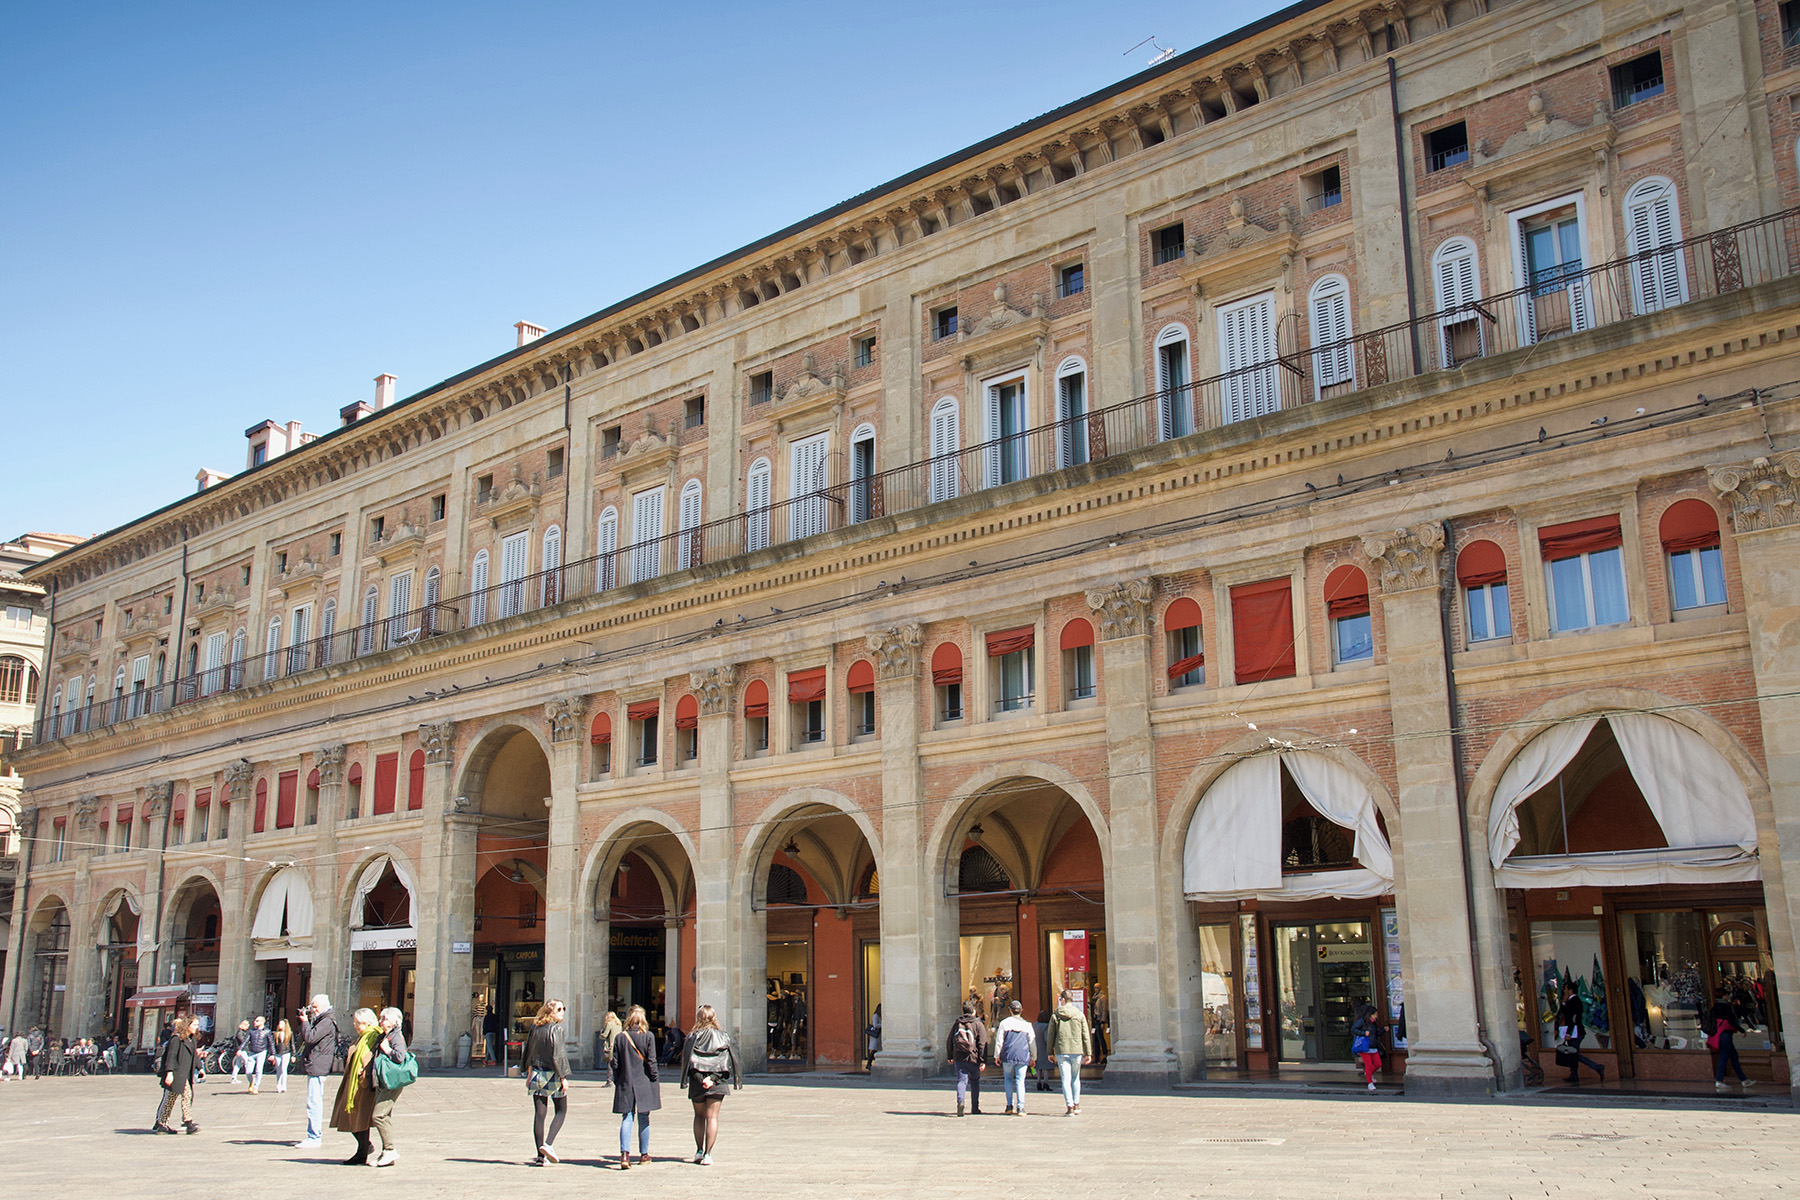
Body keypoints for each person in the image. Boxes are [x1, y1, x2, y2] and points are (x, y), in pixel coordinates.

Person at [679, 1004, 740, 1166]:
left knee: (699, 1116)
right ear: (714, 1018)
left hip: (697, 1081)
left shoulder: (692, 1037)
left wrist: (700, 1078)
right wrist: (712, 1078)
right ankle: (707, 1154)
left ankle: (698, 1151)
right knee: (712, 1117)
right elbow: (726, 1061)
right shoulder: (723, 1036)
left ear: (699, 1018)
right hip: (717, 1081)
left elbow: (689, 1062)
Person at [611, 1004, 661, 1169]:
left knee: (627, 1117)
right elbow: (652, 1061)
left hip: (626, 1080)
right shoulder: (648, 1036)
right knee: (644, 1117)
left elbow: (615, 1063)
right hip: (644, 1081)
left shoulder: (620, 1037)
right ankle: (644, 1154)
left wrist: (618, 1079)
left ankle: (624, 1154)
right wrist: (654, 1077)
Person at [523, 999, 572, 1165]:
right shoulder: (556, 1029)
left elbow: (528, 1052)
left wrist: (529, 1073)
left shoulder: (535, 1028)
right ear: (551, 1012)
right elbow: (559, 1055)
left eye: (563, 1008)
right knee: (561, 1110)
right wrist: (563, 1077)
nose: (562, 1011)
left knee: (539, 1114)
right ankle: (548, 1144)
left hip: (537, 1072)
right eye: (559, 1009)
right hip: (553, 1073)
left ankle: (540, 1156)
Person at [330, 1008, 381, 1165]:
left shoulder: (373, 1036)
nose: (355, 1026)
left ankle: (363, 1151)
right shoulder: (363, 1037)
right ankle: (363, 1149)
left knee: (359, 1118)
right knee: (350, 1116)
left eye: (358, 1023)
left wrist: (363, 1070)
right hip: (353, 1082)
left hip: (363, 1084)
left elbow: (372, 1056)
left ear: (368, 1023)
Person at [295, 993, 340, 1150]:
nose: (313, 1010)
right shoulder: (323, 1020)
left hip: (318, 1065)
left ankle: (314, 1137)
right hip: (317, 1064)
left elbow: (310, 1037)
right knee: (313, 1100)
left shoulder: (326, 1021)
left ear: (323, 1007)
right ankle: (313, 1135)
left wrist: (305, 1022)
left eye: (315, 1007)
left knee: (313, 1102)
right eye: (311, 1007)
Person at [368, 1007, 409, 1167]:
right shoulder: (387, 1035)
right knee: (385, 1116)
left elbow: (400, 1057)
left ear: (393, 1021)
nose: (381, 1022)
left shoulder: (396, 1036)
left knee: (378, 1116)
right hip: (385, 1080)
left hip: (391, 1081)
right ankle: (386, 1152)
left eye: (384, 1019)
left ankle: (390, 1150)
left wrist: (387, 1049)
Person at [153, 1017, 201, 1134]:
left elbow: (194, 1056)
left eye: (197, 1025)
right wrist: (169, 1073)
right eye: (194, 1024)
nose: (196, 1027)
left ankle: (163, 1124)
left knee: (177, 1097)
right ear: (187, 1025)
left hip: (185, 1074)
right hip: (176, 1073)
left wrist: (200, 1068)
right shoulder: (177, 1039)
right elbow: (171, 1056)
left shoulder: (191, 1040)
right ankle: (186, 1122)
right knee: (176, 1097)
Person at [1048, 991, 1093, 1115]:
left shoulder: (1056, 1015)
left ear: (1062, 999)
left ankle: (1069, 1106)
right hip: (1076, 1049)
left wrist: (1049, 1052)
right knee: (1075, 1078)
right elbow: (1085, 1034)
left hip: (1062, 1049)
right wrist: (1088, 1052)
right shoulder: (1079, 1014)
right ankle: (1077, 1104)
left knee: (1065, 1079)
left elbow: (1051, 1034)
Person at [992, 998, 1036, 1116]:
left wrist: (997, 1055)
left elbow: (999, 1041)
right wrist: (1033, 1057)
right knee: (1020, 1081)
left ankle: (1009, 1105)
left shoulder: (1004, 1023)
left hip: (1008, 1055)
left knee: (1007, 1079)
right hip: (1022, 1055)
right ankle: (1020, 1107)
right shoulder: (1027, 1025)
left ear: (1010, 1010)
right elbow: (1032, 1042)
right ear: (1021, 1011)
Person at [1554, 987, 1605, 1085]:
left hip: (1575, 1032)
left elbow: (1572, 1019)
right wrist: (1564, 1002)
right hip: (1575, 1032)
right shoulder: (1571, 1001)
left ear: (1570, 990)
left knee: (1574, 1054)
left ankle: (1597, 1067)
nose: (1564, 991)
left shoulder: (1574, 1001)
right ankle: (1574, 1075)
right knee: (1573, 1054)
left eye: (1565, 989)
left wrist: (1568, 1033)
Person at [945, 999, 988, 1117]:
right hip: (973, 1057)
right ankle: (975, 1107)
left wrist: (950, 1055)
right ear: (973, 1011)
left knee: (961, 1081)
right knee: (974, 1082)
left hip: (959, 1057)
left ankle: (961, 1102)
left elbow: (949, 1040)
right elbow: (982, 1043)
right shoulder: (978, 1024)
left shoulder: (957, 1023)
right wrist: (983, 1060)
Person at [1709, 994, 1754, 1091]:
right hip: (1725, 1035)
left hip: (1718, 1034)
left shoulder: (1715, 1007)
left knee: (1733, 1057)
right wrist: (1742, 1030)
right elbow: (1731, 1021)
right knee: (1724, 1057)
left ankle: (1744, 1079)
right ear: (1724, 996)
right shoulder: (1726, 1007)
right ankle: (1719, 1080)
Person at [1350, 1003, 1383, 1092]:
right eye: (1375, 1014)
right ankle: (1370, 1083)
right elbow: (1353, 1029)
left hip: (1373, 1046)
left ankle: (1368, 1074)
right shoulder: (1362, 1021)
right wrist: (1363, 1033)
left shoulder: (1374, 1023)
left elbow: (1375, 1034)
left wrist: (1383, 1030)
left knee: (1378, 1064)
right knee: (1368, 1065)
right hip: (1365, 1046)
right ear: (1370, 1015)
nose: (1376, 1016)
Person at [242, 1015, 273, 1093]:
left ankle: (256, 1087)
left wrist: (273, 1054)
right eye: (255, 1020)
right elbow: (245, 1041)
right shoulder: (251, 1031)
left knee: (259, 1070)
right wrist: (240, 1049)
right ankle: (251, 1082)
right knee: (248, 1071)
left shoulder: (267, 1031)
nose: (254, 1022)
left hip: (262, 1051)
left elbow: (271, 1043)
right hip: (252, 1052)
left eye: (257, 1021)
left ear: (262, 1022)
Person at [599, 1010, 623, 1084]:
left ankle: (609, 1080)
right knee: (617, 1063)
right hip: (619, 1045)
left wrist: (601, 1034)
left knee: (610, 1064)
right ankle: (618, 1078)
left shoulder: (609, 1024)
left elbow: (605, 1035)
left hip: (610, 1046)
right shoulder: (619, 1024)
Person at [271, 1018, 295, 1093]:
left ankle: (283, 1085)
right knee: (278, 1069)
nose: (280, 1025)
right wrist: (272, 1054)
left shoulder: (289, 1033)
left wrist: (293, 1055)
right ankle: (278, 1084)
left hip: (286, 1053)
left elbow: (292, 1044)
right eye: (279, 1024)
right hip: (278, 1053)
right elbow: (273, 1045)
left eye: (281, 1024)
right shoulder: (275, 1034)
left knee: (283, 1069)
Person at [1032, 1008, 1053, 1092]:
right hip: (1045, 1048)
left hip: (1036, 1047)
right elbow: (1046, 1038)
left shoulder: (1035, 1025)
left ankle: (1038, 1081)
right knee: (1046, 1067)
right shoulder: (1047, 1026)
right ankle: (1045, 1082)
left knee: (1038, 1066)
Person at [229, 1018, 252, 1084]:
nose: (248, 1028)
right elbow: (243, 1041)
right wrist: (248, 1042)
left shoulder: (241, 1032)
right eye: (247, 1026)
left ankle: (234, 1077)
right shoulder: (240, 1032)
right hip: (241, 1050)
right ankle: (249, 1075)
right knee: (247, 1061)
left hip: (240, 1050)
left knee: (238, 1064)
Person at [865, 1004, 882, 1072]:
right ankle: (869, 1063)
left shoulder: (880, 1016)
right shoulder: (876, 1015)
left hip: (879, 1035)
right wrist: (883, 1024)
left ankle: (870, 1063)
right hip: (876, 1035)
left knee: (876, 1049)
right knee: (874, 1049)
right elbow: (875, 1025)